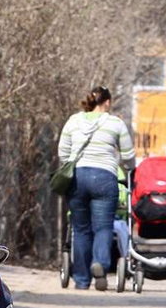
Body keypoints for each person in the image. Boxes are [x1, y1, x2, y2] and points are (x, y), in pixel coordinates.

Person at [58, 86, 135, 290]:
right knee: (103, 227)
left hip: (77, 178)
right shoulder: (115, 123)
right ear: (107, 102)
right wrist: (130, 169)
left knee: (81, 229)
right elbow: (128, 156)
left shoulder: (73, 121)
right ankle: (100, 263)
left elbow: (63, 153)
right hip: (104, 178)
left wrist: (72, 163)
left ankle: (82, 280)